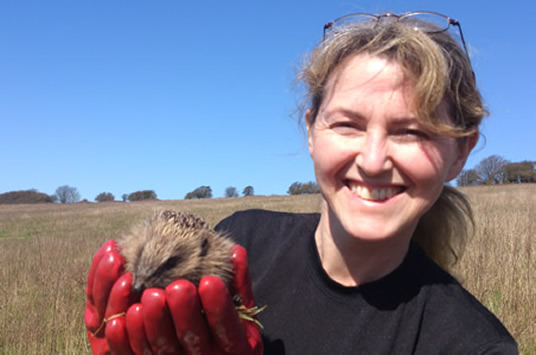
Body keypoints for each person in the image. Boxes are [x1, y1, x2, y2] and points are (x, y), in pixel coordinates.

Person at [85, 11, 518, 354]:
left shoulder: (470, 343)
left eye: (412, 132)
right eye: (348, 124)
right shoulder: (243, 241)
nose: (371, 161)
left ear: (460, 153)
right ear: (311, 132)